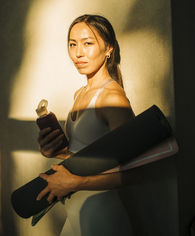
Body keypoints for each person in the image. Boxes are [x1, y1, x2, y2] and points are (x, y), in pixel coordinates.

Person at [36, 14, 138, 236]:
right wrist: (57, 152)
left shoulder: (111, 97)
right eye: (72, 44)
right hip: (76, 211)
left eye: (87, 43)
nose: (78, 53)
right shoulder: (80, 94)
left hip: (101, 215)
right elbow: (89, 156)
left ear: (108, 48)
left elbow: (135, 171)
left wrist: (75, 182)